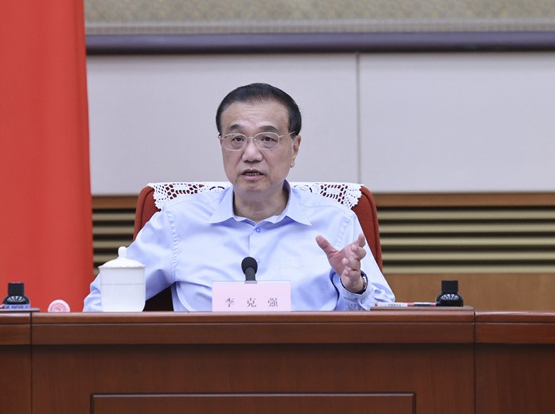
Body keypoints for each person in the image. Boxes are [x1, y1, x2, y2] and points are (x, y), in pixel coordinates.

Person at [83, 82, 395, 311]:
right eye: (236, 139)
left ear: (294, 148)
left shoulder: (335, 222)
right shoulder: (178, 222)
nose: (250, 154)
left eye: (267, 139)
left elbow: (384, 316)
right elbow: (102, 302)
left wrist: (356, 287)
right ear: (221, 144)